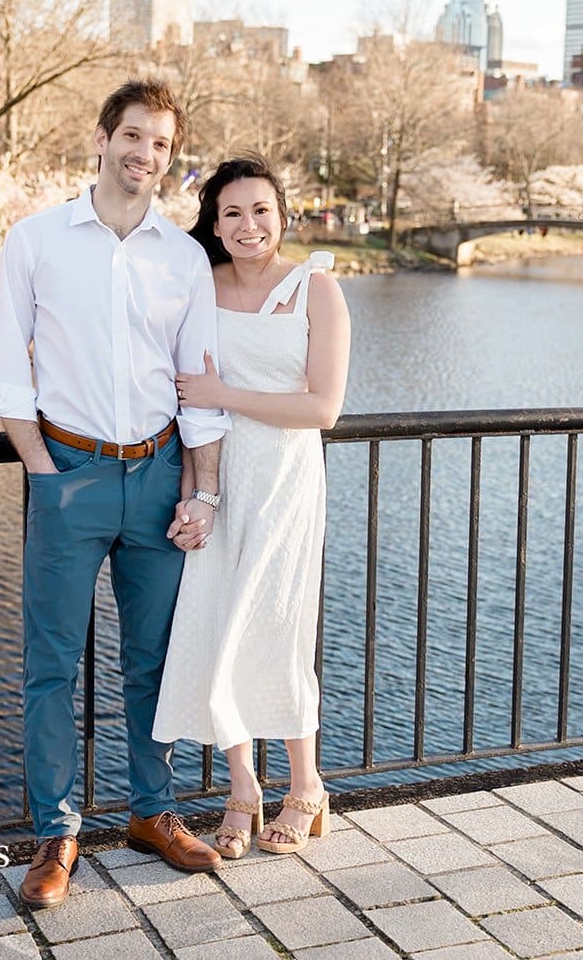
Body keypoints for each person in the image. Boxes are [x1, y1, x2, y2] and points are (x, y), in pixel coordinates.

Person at [0, 80, 232, 910]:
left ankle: (152, 813)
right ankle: (56, 836)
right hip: (70, 475)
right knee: (51, 667)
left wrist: (204, 492)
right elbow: (5, 371)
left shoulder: (183, 256)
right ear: (102, 137)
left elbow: (200, 385)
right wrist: (43, 473)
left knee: (153, 662)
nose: (146, 155)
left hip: (161, 477)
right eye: (134, 136)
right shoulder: (37, 240)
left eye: (161, 144)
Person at [152, 155, 352, 859]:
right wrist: (192, 494)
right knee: (215, 627)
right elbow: (182, 400)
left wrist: (225, 396)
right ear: (213, 222)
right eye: (231, 213)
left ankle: (307, 787)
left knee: (277, 627)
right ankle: (243, 789)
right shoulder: (198, 289)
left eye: (261, 210)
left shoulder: (315, 289)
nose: (248, 225)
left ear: (283, 215)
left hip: (285, 484)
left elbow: (322, 408)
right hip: (217, 483)